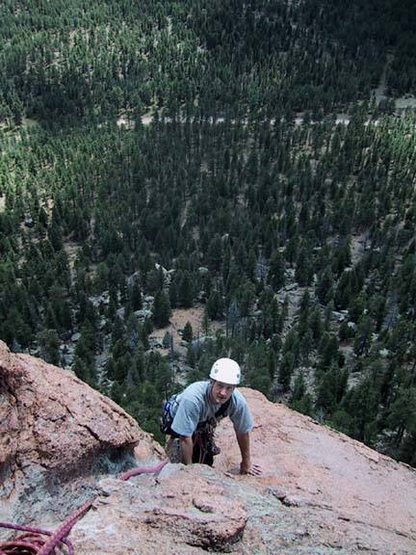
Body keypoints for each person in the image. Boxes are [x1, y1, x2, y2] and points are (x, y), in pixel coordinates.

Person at [164, 357, 261, 475]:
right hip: (179, 424)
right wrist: (189, 472)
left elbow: (243, 431)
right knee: (177, 464)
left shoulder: (237, 401)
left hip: (202, 424)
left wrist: (246, 462)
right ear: (211, 382)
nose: (223, 393)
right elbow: (185, 437)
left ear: (234, 388)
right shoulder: (193, 399)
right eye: (220, 385)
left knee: (206, 460)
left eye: (229, 388)